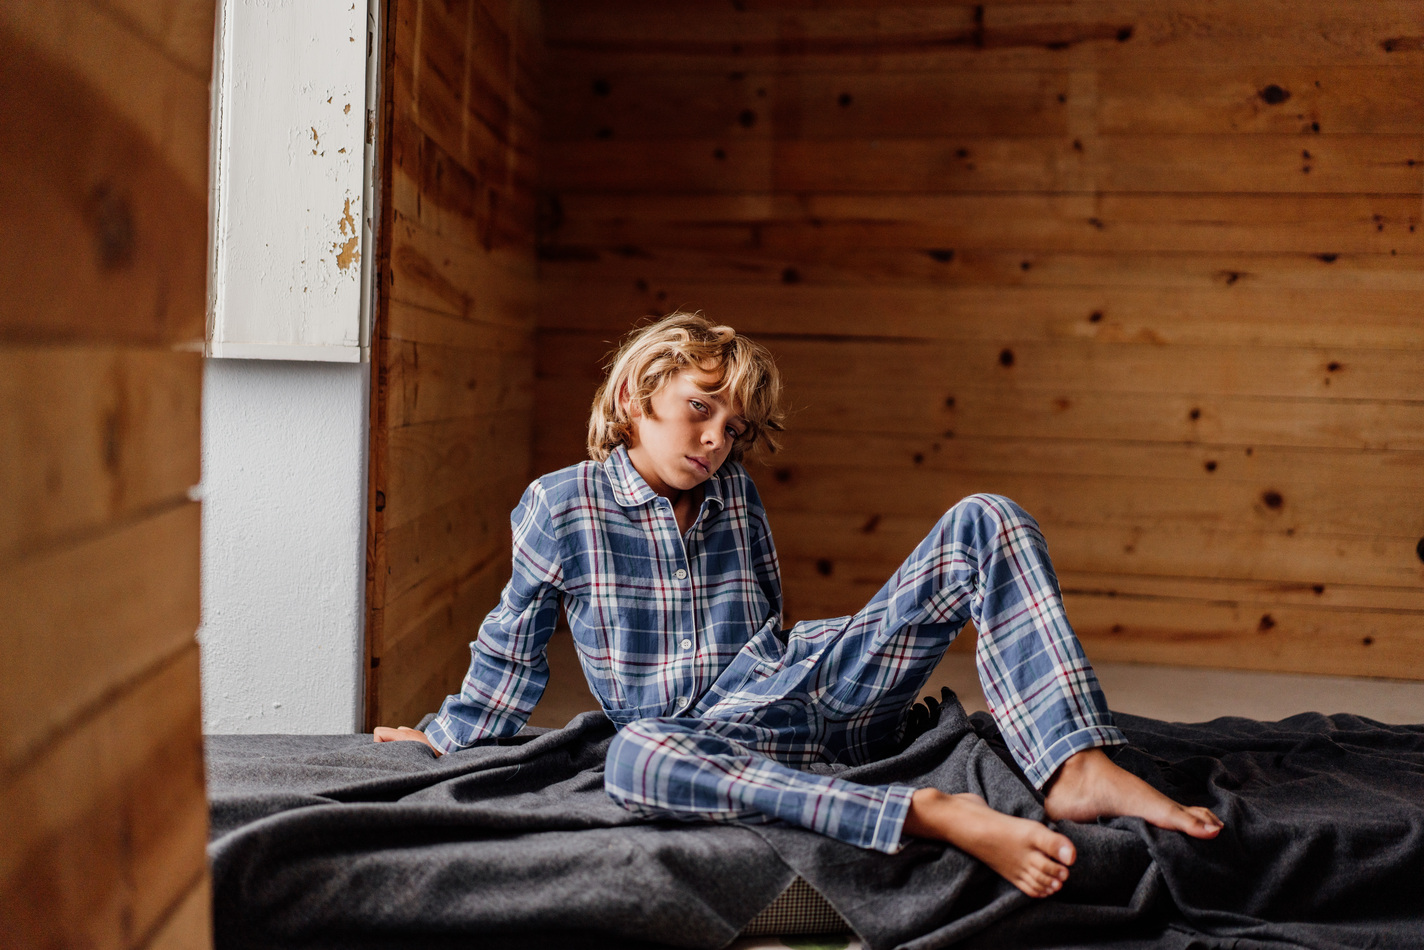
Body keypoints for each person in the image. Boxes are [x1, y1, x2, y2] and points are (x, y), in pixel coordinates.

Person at [375, 312, 1222, 898]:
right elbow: (512, 647)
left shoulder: (735, 496)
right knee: (630, 755)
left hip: (813, 694)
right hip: (702, 740)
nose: (716, 439)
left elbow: (771, 628)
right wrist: (444, 740)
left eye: (733, 427)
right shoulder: (561, 506)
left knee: (986, 517)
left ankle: (1074, 766)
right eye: (699, 410)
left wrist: (840, 666)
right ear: (636, 396)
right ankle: (928, 814)